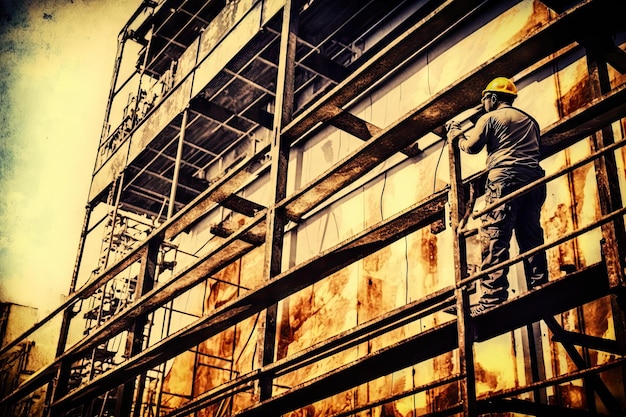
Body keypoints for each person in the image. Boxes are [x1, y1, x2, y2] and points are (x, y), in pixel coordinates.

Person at [445, 77, 548, 316]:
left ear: (492, 98)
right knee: (530, 234)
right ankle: (540, 283)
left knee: (495, 235)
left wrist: (457, 136)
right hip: (534, 178)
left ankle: (493, 296)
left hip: (504, 179)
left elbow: (471, 147)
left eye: (485, 99)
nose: (484, 103)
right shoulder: (530, 121)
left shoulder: (489, 118)